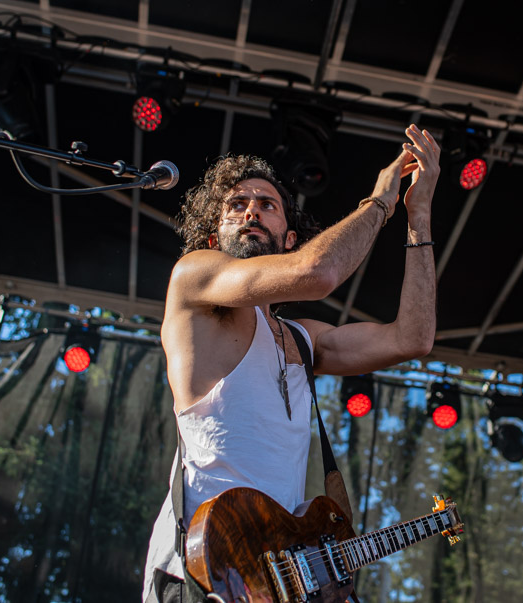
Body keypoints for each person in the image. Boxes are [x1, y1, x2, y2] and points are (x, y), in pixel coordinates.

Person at [143, 124, 441, 602]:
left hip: (274, 579)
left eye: (267, 205)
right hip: (205, 574)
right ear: (215, 233)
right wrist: (380, 201)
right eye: (236, 205)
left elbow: (413, 338)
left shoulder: (304, 341)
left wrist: (417, 216)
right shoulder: (194, 277)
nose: (250, 212)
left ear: (289, 238)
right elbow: (317, 271)